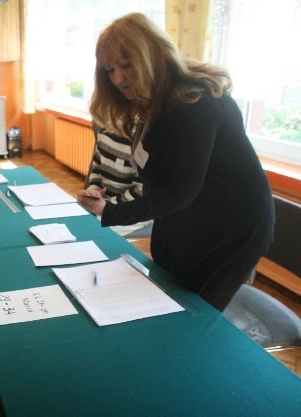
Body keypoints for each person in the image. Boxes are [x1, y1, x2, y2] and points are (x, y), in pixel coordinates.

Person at [78, 13, 274, 311]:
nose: (117, 78)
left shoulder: (194, 104)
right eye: (110, 69)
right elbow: (162, 180)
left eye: (126, 65)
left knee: (194, 315)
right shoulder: (153, 100)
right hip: (189, 216)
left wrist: (111, 211)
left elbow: (178, 192)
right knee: (166, 297)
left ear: (151, 55)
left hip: (230, 228)